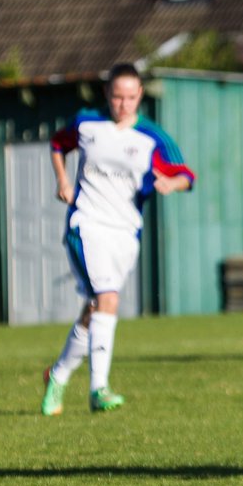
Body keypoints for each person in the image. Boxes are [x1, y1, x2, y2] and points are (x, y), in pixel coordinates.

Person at [40, 63, 195, 415]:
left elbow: (186, 173)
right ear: (107, 95)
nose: (123, 104)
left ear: (140, 95)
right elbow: (57, 143)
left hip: (125, 232)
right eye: (116, 96)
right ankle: (99, 389)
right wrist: (63, 181)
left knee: (95, 307)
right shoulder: (87, 123)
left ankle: (58, 376)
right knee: (107, 298)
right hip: (86, 224)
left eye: (130, 97)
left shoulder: (152, 137)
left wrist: (173, 183)